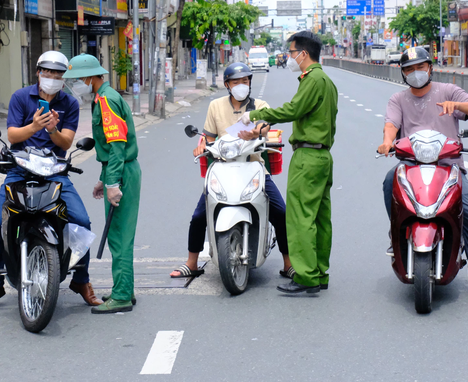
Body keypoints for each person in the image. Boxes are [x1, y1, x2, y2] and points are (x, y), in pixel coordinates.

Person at [0, 51, 103, 310]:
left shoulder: (70, 104)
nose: (52, 78)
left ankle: (81, 279)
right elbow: (12, 135)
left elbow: (66, 142)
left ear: (64, 77)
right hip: (19, 170)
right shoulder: (21, 97)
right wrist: (34, 126)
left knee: (82, 221)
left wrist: (52, 129)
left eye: (58, 74)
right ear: (38, 72)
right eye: (48, 72)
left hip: (55, 172)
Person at [377, 46, 468, 297]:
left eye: (420, 67)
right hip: (410, 164)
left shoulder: (447, 91)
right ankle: (397, 231)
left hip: (448, 166)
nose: (415, 73)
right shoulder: (398, 99)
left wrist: (456, 104)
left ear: (430, 68)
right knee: (390, 180)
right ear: (402, 74)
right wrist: (388, 142)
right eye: (409, 69)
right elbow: (391, 125)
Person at [169, 62, 293, 281]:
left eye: (245, 81)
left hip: (254, 167)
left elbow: (266, 127)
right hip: (222, 167)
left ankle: (288, 263)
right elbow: (208, 136)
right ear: (227, 85)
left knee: (281, 213)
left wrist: (258, 131)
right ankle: (192, 262)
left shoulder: (259, 105)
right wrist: (202, 145)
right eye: (236, 82)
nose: (241, 85)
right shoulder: (215, 106)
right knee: (199, 215)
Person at [240, 30, 338, 294]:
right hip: (323, 156)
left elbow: (293, 110)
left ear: (303, 54)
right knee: (319, 218)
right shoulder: (326, 81)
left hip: (307, 156)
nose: (290, 57)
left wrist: (255, 115)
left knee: (300, 217)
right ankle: (319, 272)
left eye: (292, 52)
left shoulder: (312, 80)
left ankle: (306, 277)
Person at [62, 53, 142, 314]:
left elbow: (118, 146)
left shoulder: (106, 100)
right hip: (117, 170)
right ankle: (124, 288)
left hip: (123, 172)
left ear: (90, 76)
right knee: (119, 234)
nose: (75, 85)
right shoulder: (102, 98)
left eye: (76, 79)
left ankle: (120, 296)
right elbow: (110, 149)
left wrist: (113, 183)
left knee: (118, 236)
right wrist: (103, 178)